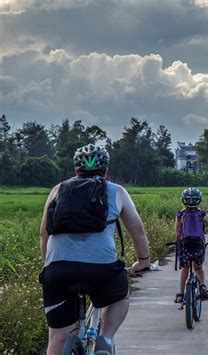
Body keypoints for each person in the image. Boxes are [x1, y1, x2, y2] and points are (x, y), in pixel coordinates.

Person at [39, 144, 150, 355]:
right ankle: (105, 340)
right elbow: (137, 232)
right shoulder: (117, 191)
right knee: (121, 296)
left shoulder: (57, 190)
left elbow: (44, 234)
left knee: (57, 337)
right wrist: (143, 261)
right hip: (102, 270)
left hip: (58, 271)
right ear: (106, 171)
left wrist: (50, 266)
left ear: (76, 170)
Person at [175, 188, 208, 303]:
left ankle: (180, 294)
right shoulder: (202, 214)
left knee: (185, 268)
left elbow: (177, 233)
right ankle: (203, 286)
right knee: (198, 267)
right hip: (198, 245)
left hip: (184, 246)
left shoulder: (180, 214)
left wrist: (178, 243)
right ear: (199, 200)